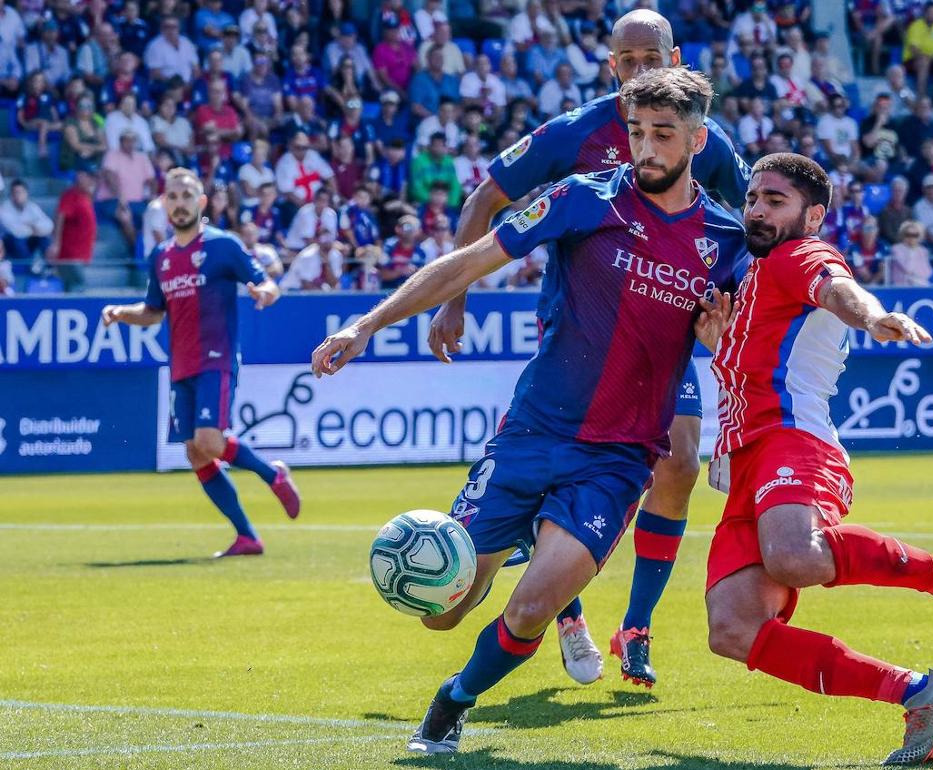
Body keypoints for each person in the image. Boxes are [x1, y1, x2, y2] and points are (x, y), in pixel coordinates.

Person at [310, 68, 746, 754]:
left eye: (664, 134)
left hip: (616, 460)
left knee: (533, 606)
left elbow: (754, 344)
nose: (647, 148)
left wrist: (724, 369)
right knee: (442, 612)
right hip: (532, 434)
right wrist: (365, 324)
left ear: (698, 139)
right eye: (637, 132)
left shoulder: (726, 241)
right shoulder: (584, 199)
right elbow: (469, 261)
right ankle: (518, 538)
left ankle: (453, 701)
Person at [423, 9, 752, 689]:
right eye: (626, 61)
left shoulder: (702, 139)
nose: (638, 71)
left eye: (650, 58)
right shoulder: (576, 132)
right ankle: (549, 577)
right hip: (581, 325)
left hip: (667, 324)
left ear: (675, 57)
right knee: (566, 463)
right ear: (611, 66)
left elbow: (755, 224)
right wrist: (455, 296)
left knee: (681, 462)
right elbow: (486, 197)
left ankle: (635, 625)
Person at [703, 153, 933, 767]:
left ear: (812, 216)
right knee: (732, 630)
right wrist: (721, 352)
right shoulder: (754, 279)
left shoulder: (797, 257)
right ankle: (923, 695)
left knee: (795, 556)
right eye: (753, 197)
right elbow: (754, 364)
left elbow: (838, 287)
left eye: (774, 201)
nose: (756, 209)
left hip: (795, 442)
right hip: (747, 463)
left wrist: (874, 317)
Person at [100, 168, 300, 558]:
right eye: (172, 197)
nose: (179, 204)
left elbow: (267, 282)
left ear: (201, 202)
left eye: (186, 196)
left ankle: (272, 474)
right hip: (181, 365)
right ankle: (247, 537)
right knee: (195, 452)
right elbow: (154, 311)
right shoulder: (160, 256)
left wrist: (265, 292)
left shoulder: (223, 246)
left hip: (216, 357)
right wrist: (124, 313)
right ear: (163, 204)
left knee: (209, 440)